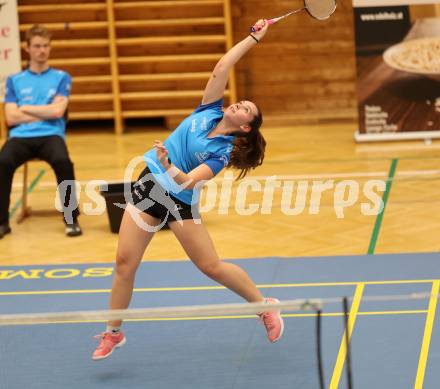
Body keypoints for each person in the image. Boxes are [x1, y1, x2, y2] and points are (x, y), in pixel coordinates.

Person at [92, 19, 283, 361]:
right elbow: (223, 66)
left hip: (179, 200)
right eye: (240, 101)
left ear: (245, 126)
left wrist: (168, 165)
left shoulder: (221, 153)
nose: (238, 104)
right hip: (149, 185)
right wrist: (253, 38)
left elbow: (188, 181)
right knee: (124, 262)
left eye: (246, 109)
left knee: (210, 266)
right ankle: (113, 332)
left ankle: (264, 306)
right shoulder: (207, 110)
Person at [0, 25, 81, 238]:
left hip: (51, 135)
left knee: (63, 162)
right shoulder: (14, 80)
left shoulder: (62, 77)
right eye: (37, 46)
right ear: (27, 48)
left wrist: (24, 108)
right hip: (20, 136)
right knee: (2, 162)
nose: (42, 50)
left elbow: (58, 112)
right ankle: (2, 222)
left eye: (45, 46)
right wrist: (45, 110)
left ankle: (71, 219)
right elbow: (10, 118)